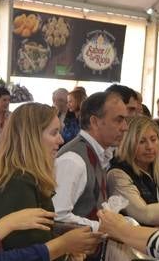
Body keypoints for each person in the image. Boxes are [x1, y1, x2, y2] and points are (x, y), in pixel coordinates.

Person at [0, 103, 72, 261]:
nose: (61, 140)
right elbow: (31, 254)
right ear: (32, 138)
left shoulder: (22, 178)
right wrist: (67, 248)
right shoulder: (18, 183)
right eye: (54, 133)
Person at [54, 90, 129, 233]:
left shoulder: (97, 153)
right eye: (118, 120)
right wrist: (104, 228)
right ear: (94, 122)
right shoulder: (73, 160)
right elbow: (58, 217)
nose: (125, 127)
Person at [108, 115, 159, 231]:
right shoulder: (117, 174)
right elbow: (144, 215)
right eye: (141, 141)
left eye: (153, 139)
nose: (150, 147)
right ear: (129, 143)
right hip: (134, 244)